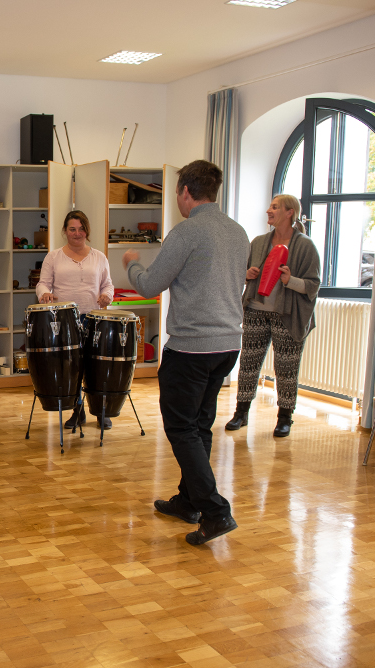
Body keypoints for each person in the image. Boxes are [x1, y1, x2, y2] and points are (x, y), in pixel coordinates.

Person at [122, 160, 248, 546]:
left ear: (186, 192)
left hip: (192, 348)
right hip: (227, 346)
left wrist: (132, 264)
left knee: (180, 428)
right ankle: (189, 501)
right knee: (199, 426)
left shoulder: (186, 231)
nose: (177, 198)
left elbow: (149, 286)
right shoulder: (238, 232)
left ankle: (214, 511)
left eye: (177, 192)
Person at [226, 195, 320, 437]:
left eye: (275, 207)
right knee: (248, 363)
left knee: (287, 369)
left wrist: (291, 281)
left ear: (290, 213)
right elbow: (241, 274)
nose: (269, 210)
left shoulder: (306, 246)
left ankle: (285, 418)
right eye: (270, 206)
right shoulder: (258, 242)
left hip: (287, 315)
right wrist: (247, 274)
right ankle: (241, 413)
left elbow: (313, 285)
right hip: (256, 310)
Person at [36, 210, 114, 430]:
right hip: (65, 320)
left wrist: (107, 295)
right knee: (72, 368)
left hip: (94, 319)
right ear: (65, 231)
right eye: (72, 229)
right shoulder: (53, 256)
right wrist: (44, 294)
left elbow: (108, 284)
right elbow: (42, 283)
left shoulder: (99, 257)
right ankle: (77, 410)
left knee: (96, 366)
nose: (77, 233)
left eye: (81, 229)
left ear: (87, 231)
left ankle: (101, 411)